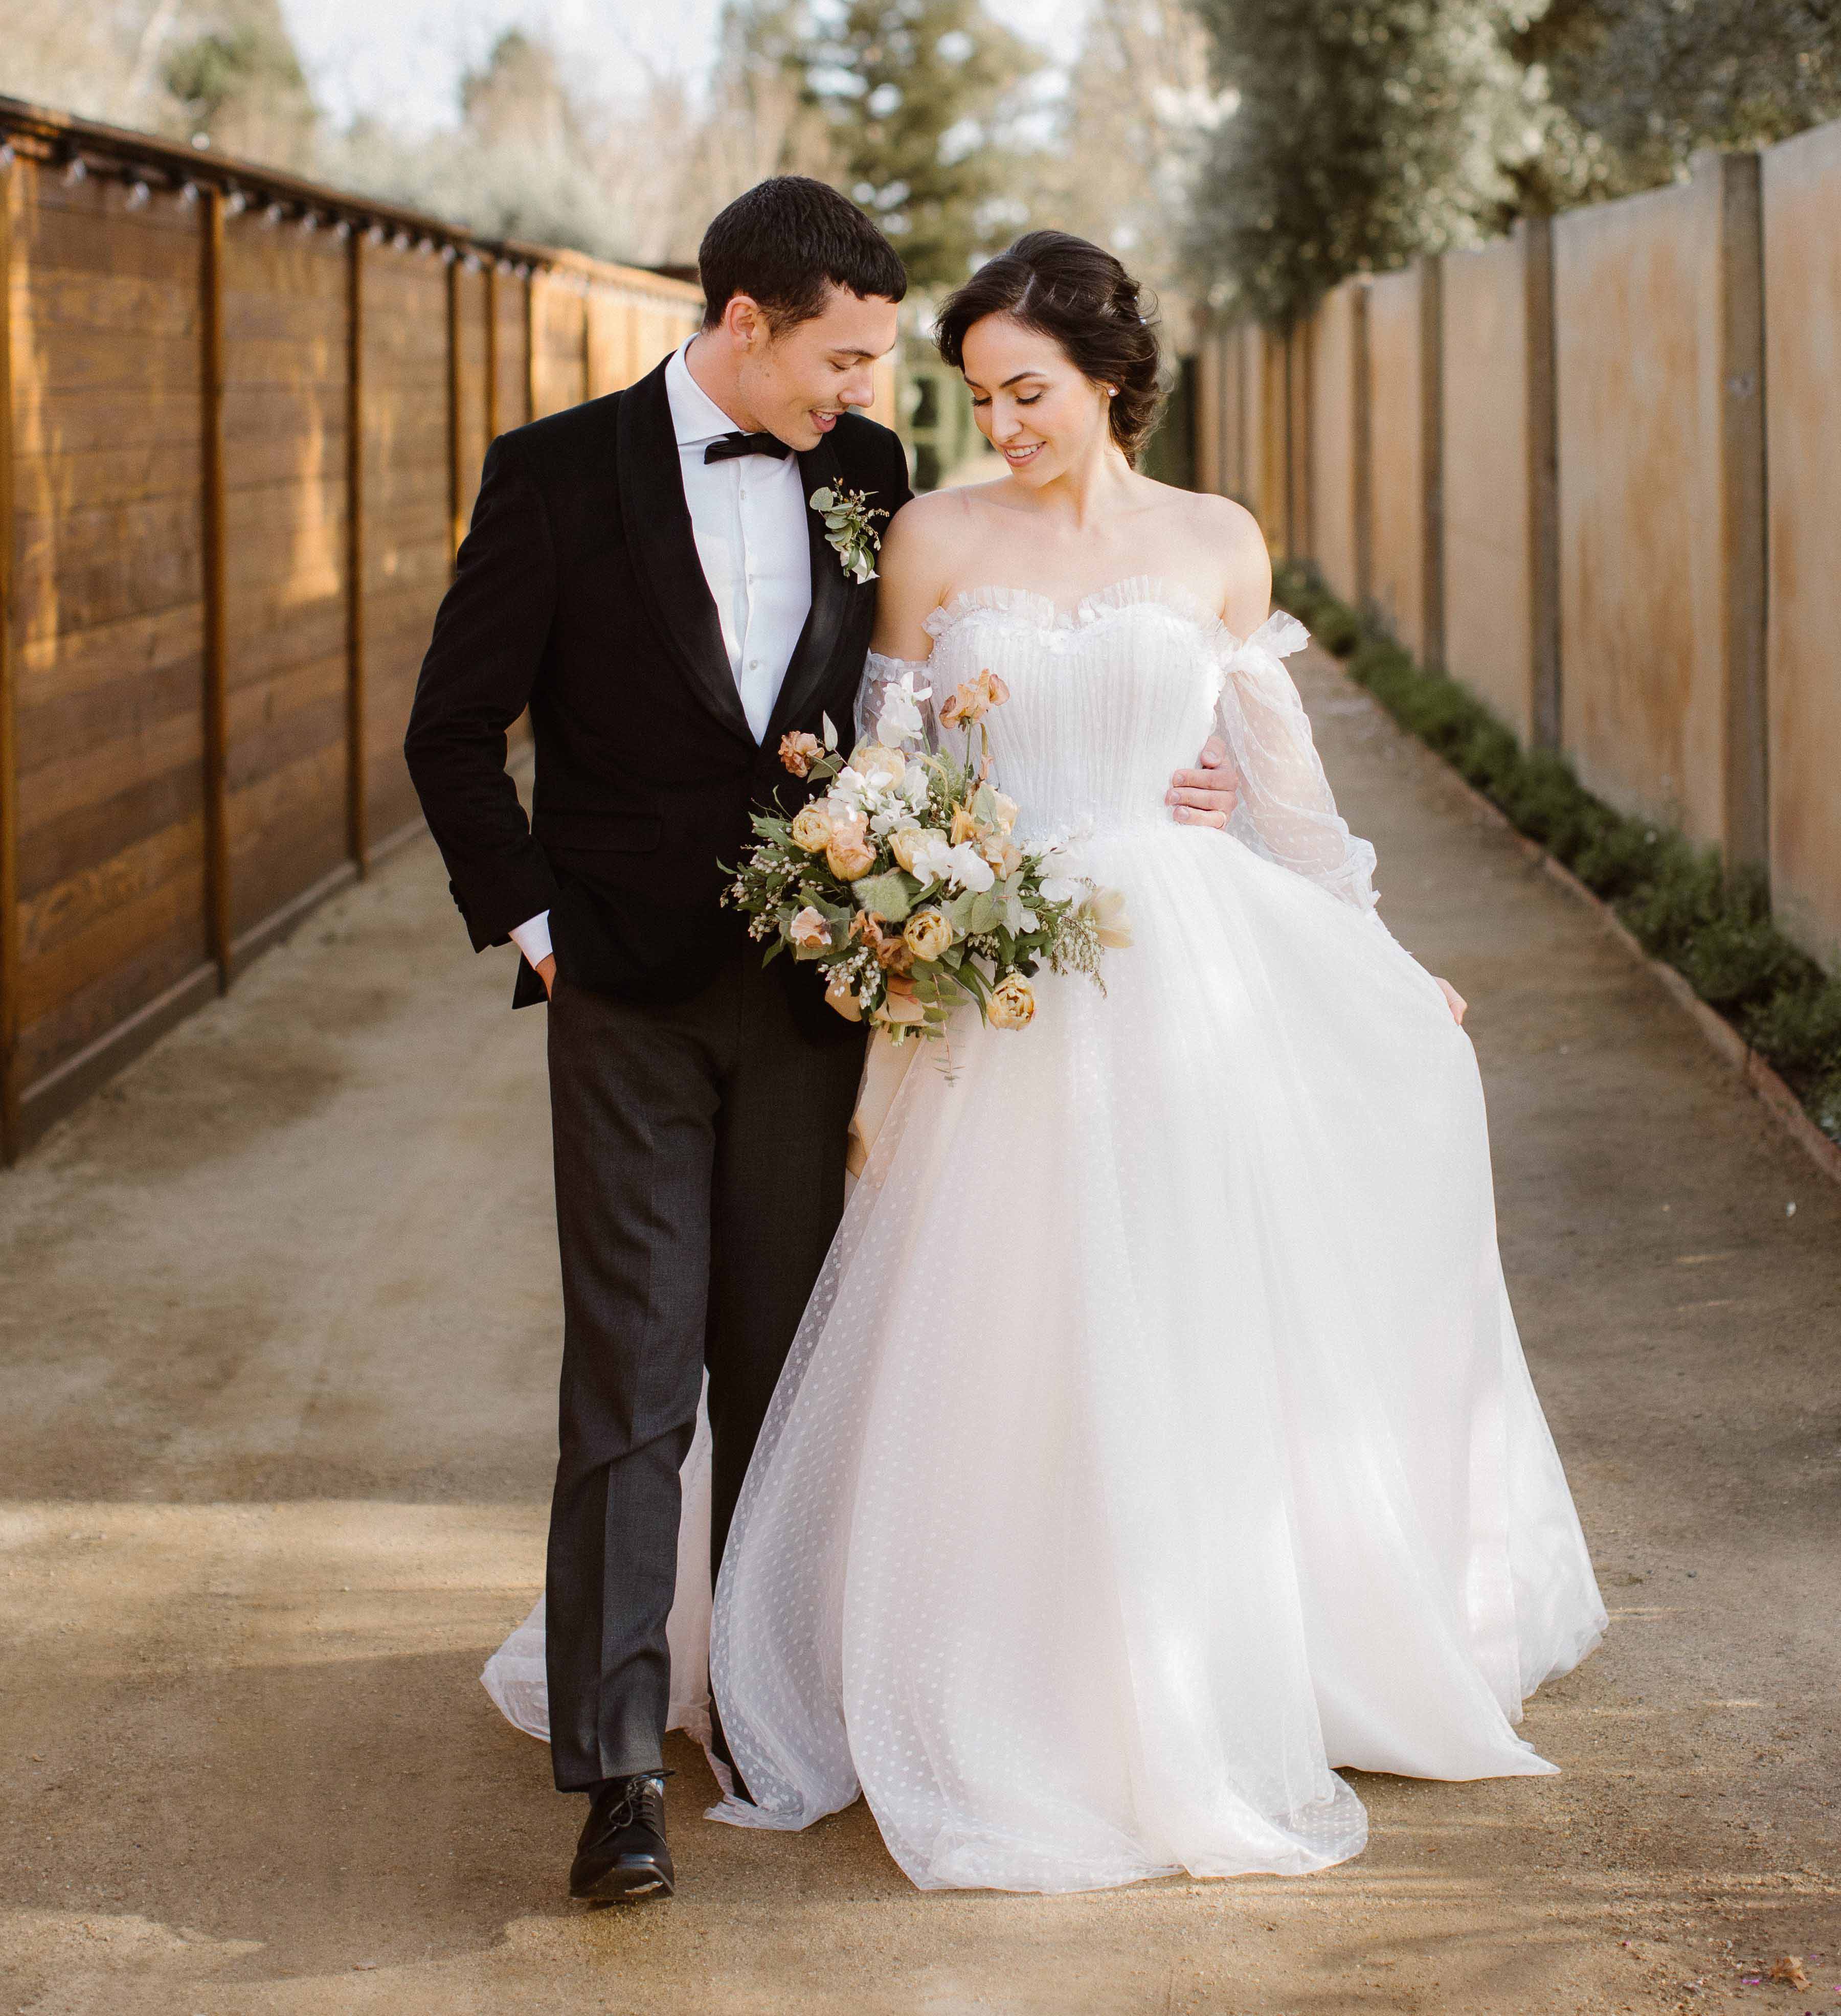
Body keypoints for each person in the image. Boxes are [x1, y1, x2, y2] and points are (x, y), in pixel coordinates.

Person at [703, 229, 1608, 1895]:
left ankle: (1199, 1665)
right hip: (996, 983)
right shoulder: (929, 534)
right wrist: (901, 905)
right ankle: (992, 1674)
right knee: (996, 1331)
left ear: (1109, 377)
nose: (1005, 427)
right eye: (978, 398)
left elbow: (1279, 787)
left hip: (1185, 974)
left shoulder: (1219, 541)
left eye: (1029, 391)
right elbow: (889, 774)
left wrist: (1382, 951)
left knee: (1187, 1320)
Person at [406, 185, 1245, 1907]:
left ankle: (775, 1704)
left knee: (790, 1374)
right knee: (633, 1386)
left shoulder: (869, 482)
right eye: (846, 356)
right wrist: (545, 939)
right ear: (742, 320)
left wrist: (1164, 784)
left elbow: (932, 729)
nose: (870, 392)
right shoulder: (555, 474)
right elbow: (447, 733)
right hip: (624, 998)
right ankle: (617, 1773)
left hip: (824, 1004)